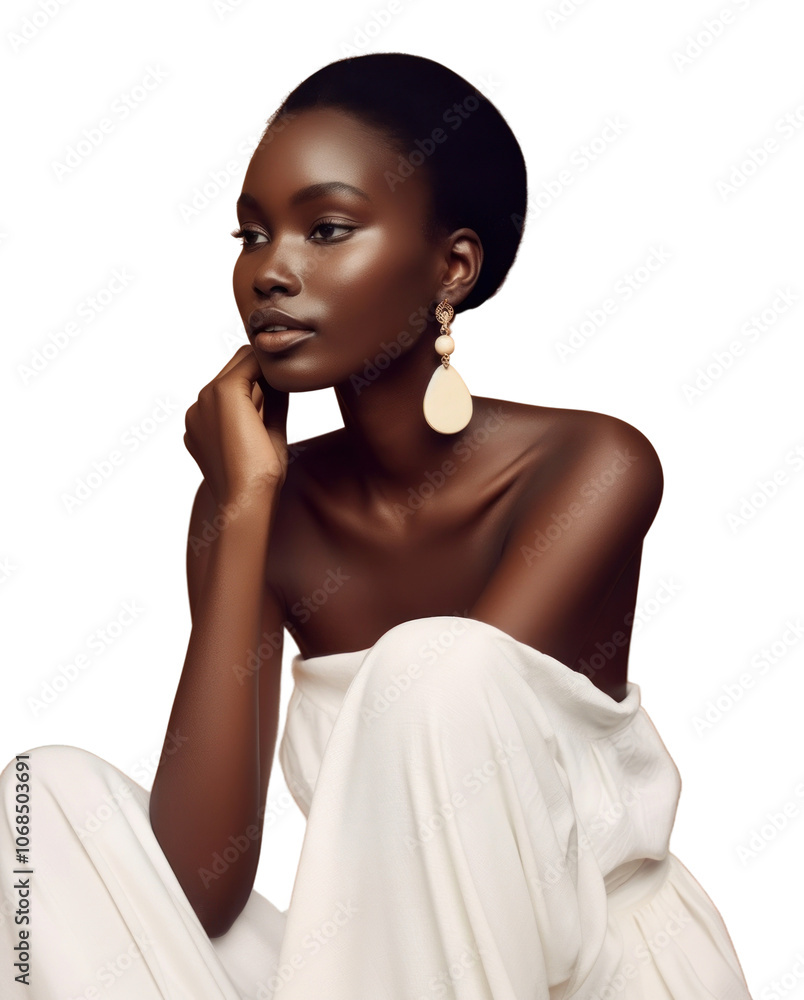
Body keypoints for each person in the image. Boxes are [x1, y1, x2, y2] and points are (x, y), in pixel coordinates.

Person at [0, 53, 753, 999]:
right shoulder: (260, 501)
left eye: (326, 229)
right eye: (251, 233)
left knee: (433, 667)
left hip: (587, 971)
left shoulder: (591, 468)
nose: (271, 270)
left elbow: (453, 766)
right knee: (41, 803)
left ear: (453, 266)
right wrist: (241, 511)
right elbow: (195, 890)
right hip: (372, 965)